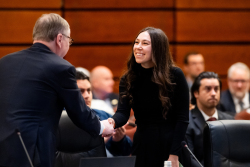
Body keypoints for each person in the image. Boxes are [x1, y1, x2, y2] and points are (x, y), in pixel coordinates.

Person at [0, 13, 114, 167]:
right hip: (32, 153)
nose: (68, 45)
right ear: (60, 39)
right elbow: (78, 111)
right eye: (70, 40)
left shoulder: (5, 62)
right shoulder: (61, 67)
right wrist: (101, 127)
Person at [108, 27, 190, 167]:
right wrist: (112, 122)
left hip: (170, 145)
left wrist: (174, 154)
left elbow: (182, 119)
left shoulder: (175, 75)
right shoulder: (128, 78)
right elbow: (123, 113)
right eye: (136, 42)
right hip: (142, 144)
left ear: (158, 48)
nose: (138, 47)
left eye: (145, 43)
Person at [75, 71, 132, 156]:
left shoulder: (104, 116)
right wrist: (100, 140)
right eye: (81, 91)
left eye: (89, 90)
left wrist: (119, 140)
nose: (87, 95)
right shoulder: (58, 119)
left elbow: (126, 151)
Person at [186, 72, 234, 167]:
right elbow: (189, 159)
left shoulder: (231, 120)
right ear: (196, 93)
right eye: (208, 89)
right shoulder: (187, 122)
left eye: (216, 89)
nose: (213, 93)